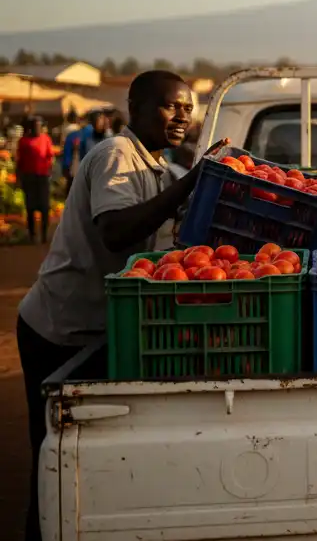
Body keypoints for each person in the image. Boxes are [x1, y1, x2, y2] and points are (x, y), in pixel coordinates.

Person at [17, 71, 225, 541]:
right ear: (136, 107)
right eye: (170, 106)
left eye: (188, 109)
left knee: (85, 455)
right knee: (50, 457)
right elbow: (116, 230)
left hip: (101, 327)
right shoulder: (115, 156)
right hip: (57, 328)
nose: (181, 117)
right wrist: (193, 180)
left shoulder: (159, 168)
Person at [16, 118, 56, 244]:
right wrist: (19, 178)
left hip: (43, 177)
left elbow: (50, 156)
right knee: (30, 207)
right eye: (35, 126)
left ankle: (44, 234)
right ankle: (32, 234)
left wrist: (49, 170)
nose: (38, 129)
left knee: (44, 207)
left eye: (39, 126)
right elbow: (19, 161)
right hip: (29, 177)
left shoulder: (46, 139)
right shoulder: (23, 141)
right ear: (30, 128)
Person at [60, 110, 107, 186]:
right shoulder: (104, 137)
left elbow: (67, 156)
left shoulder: (74, 135)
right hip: (95, 175)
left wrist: (66, 168)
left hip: (77, 173)